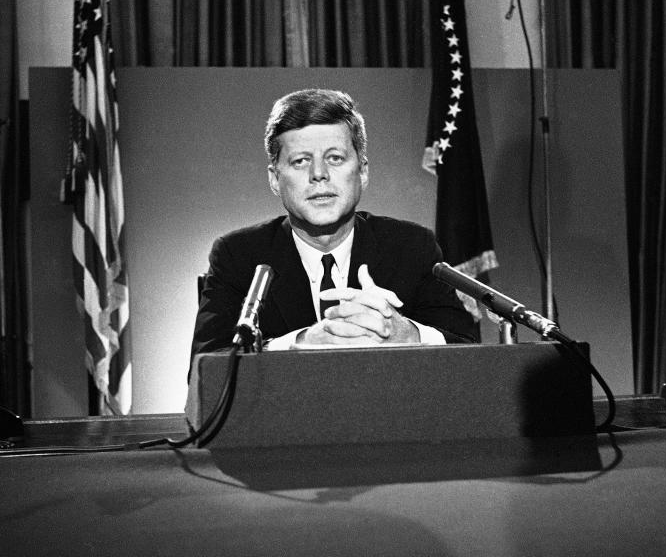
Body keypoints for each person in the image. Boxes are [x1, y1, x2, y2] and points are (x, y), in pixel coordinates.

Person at [191, 88, 477, 360]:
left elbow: (470, 351)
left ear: (362, 172)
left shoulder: (411, 247)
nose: (319, 174)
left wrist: (409, 334)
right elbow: (206, 368)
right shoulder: (238, 256)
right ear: (275, 179)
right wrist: (300, 343)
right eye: (301, 161)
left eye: (335, 158)